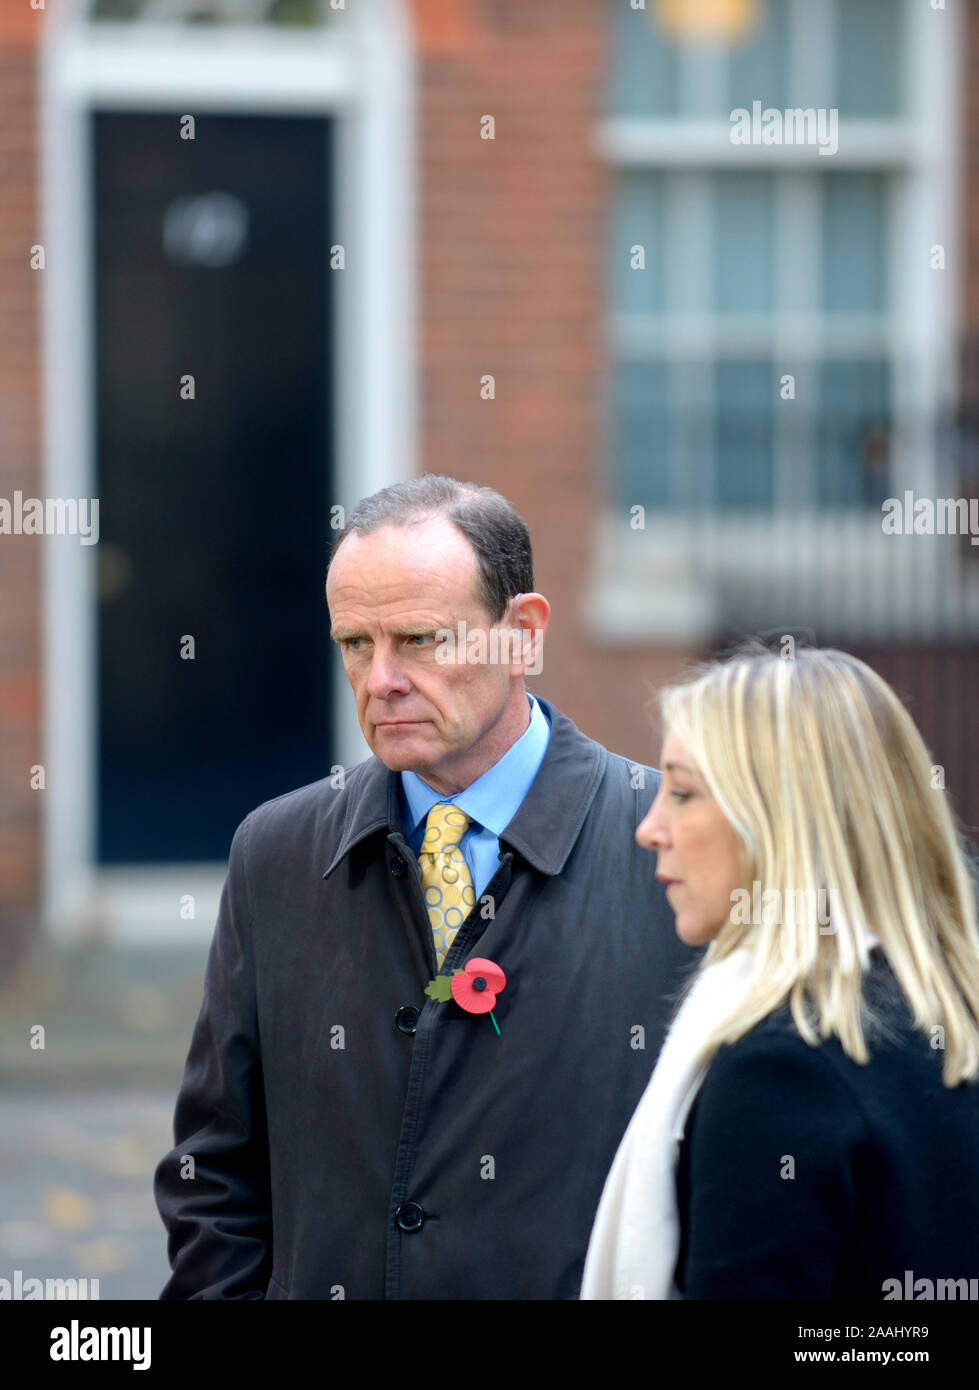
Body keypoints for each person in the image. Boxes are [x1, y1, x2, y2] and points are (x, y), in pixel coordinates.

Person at [154, 474, 695, 1300]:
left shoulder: (676, 849)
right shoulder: (276, 852)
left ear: (522, 634)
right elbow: (215, 1176)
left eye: (417, 640)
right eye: (354, 644)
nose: (379, 681)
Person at [581, 645, 979, 1300]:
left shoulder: (782, 1069)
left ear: (781, 819)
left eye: (682, 793)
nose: (649, 828)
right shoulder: (947, 1009)